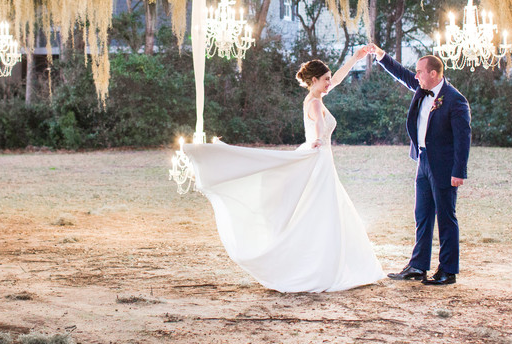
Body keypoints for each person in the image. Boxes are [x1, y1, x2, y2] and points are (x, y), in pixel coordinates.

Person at [183, 46, 385, 292]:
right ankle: (319, 266)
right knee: (325, 213)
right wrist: (320, 138)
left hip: (321, 160)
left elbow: (339, 79)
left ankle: (328, 262)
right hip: (319, 158)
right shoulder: (314, 104)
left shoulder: (315, 97)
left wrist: (355, 58)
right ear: (314, 80)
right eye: (326, 79)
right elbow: (319, 124)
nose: (330, 83)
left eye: (329, 79)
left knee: (328, 212)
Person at [369, 44, 471, 286]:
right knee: (422, 216)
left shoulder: (456, 101)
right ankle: (417, 266)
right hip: (423, 161)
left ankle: (447, 270)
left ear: (433, 73)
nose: (415, 75)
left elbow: (463, 138)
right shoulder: (420, 88)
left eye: (420, 71)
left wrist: (459, 172)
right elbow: (402, 74)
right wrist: (381, 55)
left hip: (445, 167)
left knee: (446, 217)